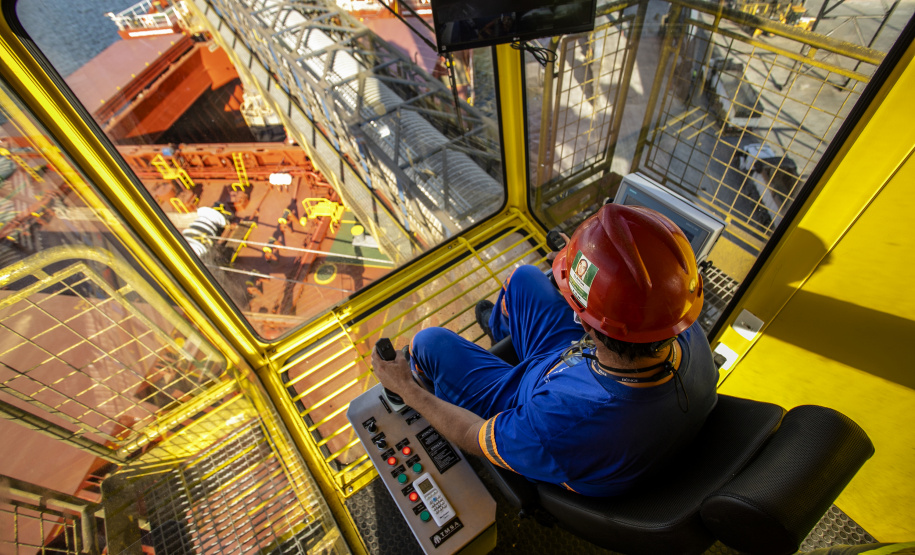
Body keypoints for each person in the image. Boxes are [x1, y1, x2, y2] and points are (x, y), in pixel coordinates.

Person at [372, 204, 719, 496]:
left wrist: (406, 389)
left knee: (428, 344)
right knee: (523, 279)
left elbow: (471, 435)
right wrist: (587, 274)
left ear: (582, 320)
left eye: (576, 302)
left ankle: (494, 339)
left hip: (533, 400)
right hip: (585, 363)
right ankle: (499, 332)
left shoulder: (559, 424)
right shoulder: (679, 327)